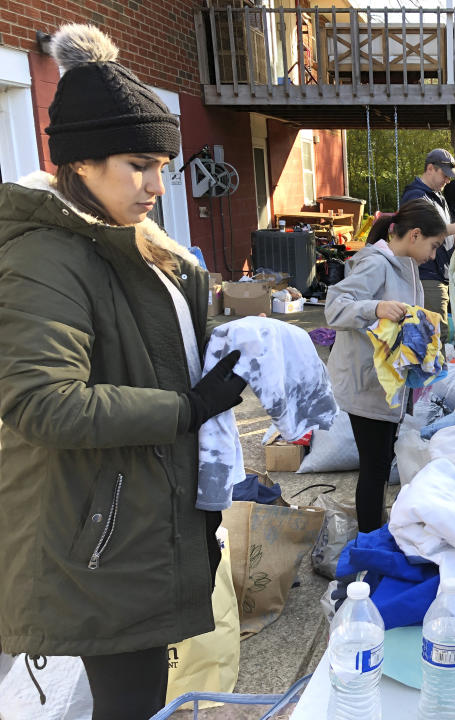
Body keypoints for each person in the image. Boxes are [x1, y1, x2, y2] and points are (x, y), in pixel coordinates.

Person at [0, 24, 247, 719]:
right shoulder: (45, 256)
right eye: (139, 163)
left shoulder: (130, 241)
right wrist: (185, 407)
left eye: (163, 165)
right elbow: (42, 402)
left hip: (145, 511)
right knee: (130, 705)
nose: (156, 184)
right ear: (81, 162)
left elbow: (149, 343)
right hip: (101, 531)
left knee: (142, 699)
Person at [325, 200, 448, 533]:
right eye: (433, 246)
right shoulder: (377, 265)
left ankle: (373, 533)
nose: (433, 255)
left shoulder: (402, 265)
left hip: (383, 386)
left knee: (378, 466)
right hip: (366, 384)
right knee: (375, 469)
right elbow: (335, 308)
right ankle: (369, 542)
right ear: (415, 235)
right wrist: (375, 307)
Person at [399, 148, 455, 341]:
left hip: (440, 272)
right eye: (445, 175)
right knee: (434, 335)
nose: (448, 180)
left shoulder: (439, 198)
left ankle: (435, 370)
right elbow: (425, 229)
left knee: (436, 334)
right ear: (430, 168)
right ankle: (435, 371)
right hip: (425, 274)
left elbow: (443, 236)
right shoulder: (416, 196)